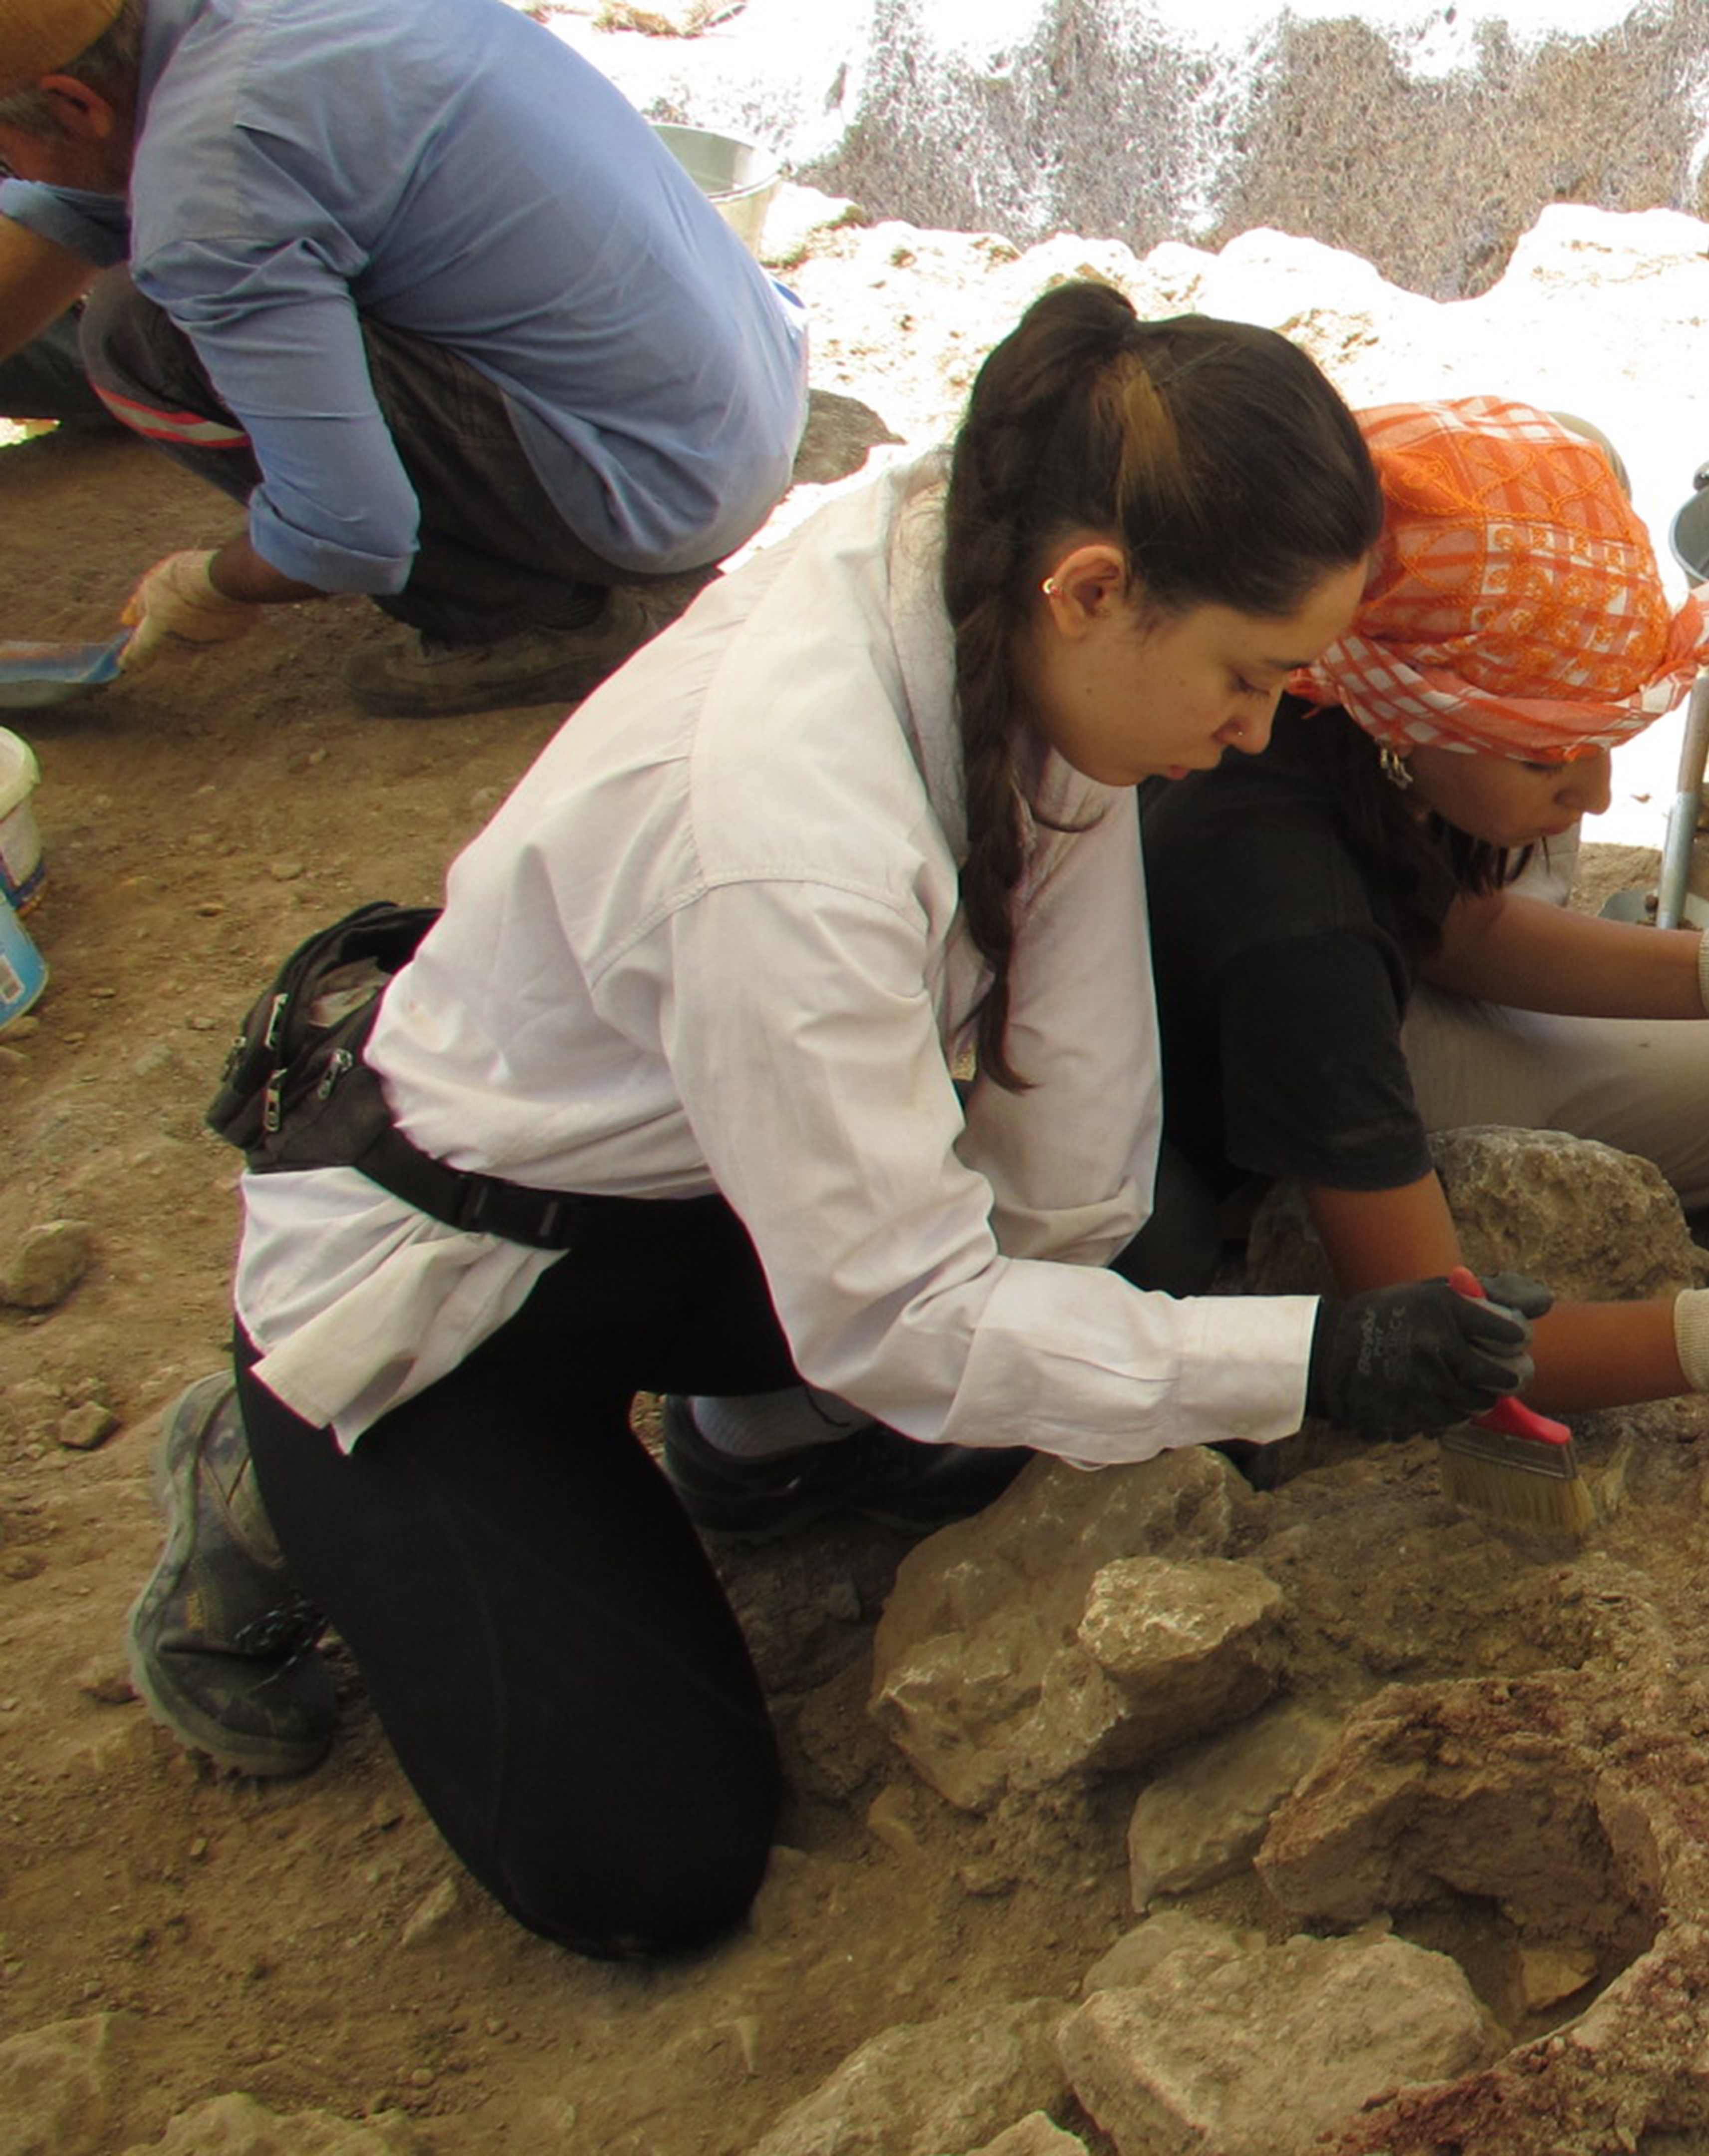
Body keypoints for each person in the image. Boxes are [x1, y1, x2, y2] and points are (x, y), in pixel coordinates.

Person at [121, 283, 1541, 1963]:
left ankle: (747, 1431)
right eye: (1251, 676)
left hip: (696, 1174)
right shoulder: (791, 846)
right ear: (1099, 593)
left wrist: (1154, 1331)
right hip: (462, 1288)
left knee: (1137, 1265)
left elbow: (1069, 1154)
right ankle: (268, 1467)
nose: (1260, 729)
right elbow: (909, 1319)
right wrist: (1310, 1360)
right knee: (653, 1865)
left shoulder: (999, 564)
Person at [1136, 395, 1709, 1455]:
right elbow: (1426, 1331)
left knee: (1585, 449)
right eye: (1546, 750)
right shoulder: (1298, 920)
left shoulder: (1357, 700)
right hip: (1290, 1094)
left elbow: (1467, 933)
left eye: (1603, 734)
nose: (1594, 792)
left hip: (1373, 973)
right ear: (1420, 726)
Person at [0, 0, 809, 716]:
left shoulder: (212, 172)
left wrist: (213, 582)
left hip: (663, 488)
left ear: (72, 103)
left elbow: (349, 533)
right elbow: (64, 206)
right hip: (751, 384)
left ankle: (527, 619)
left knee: (140, 336)